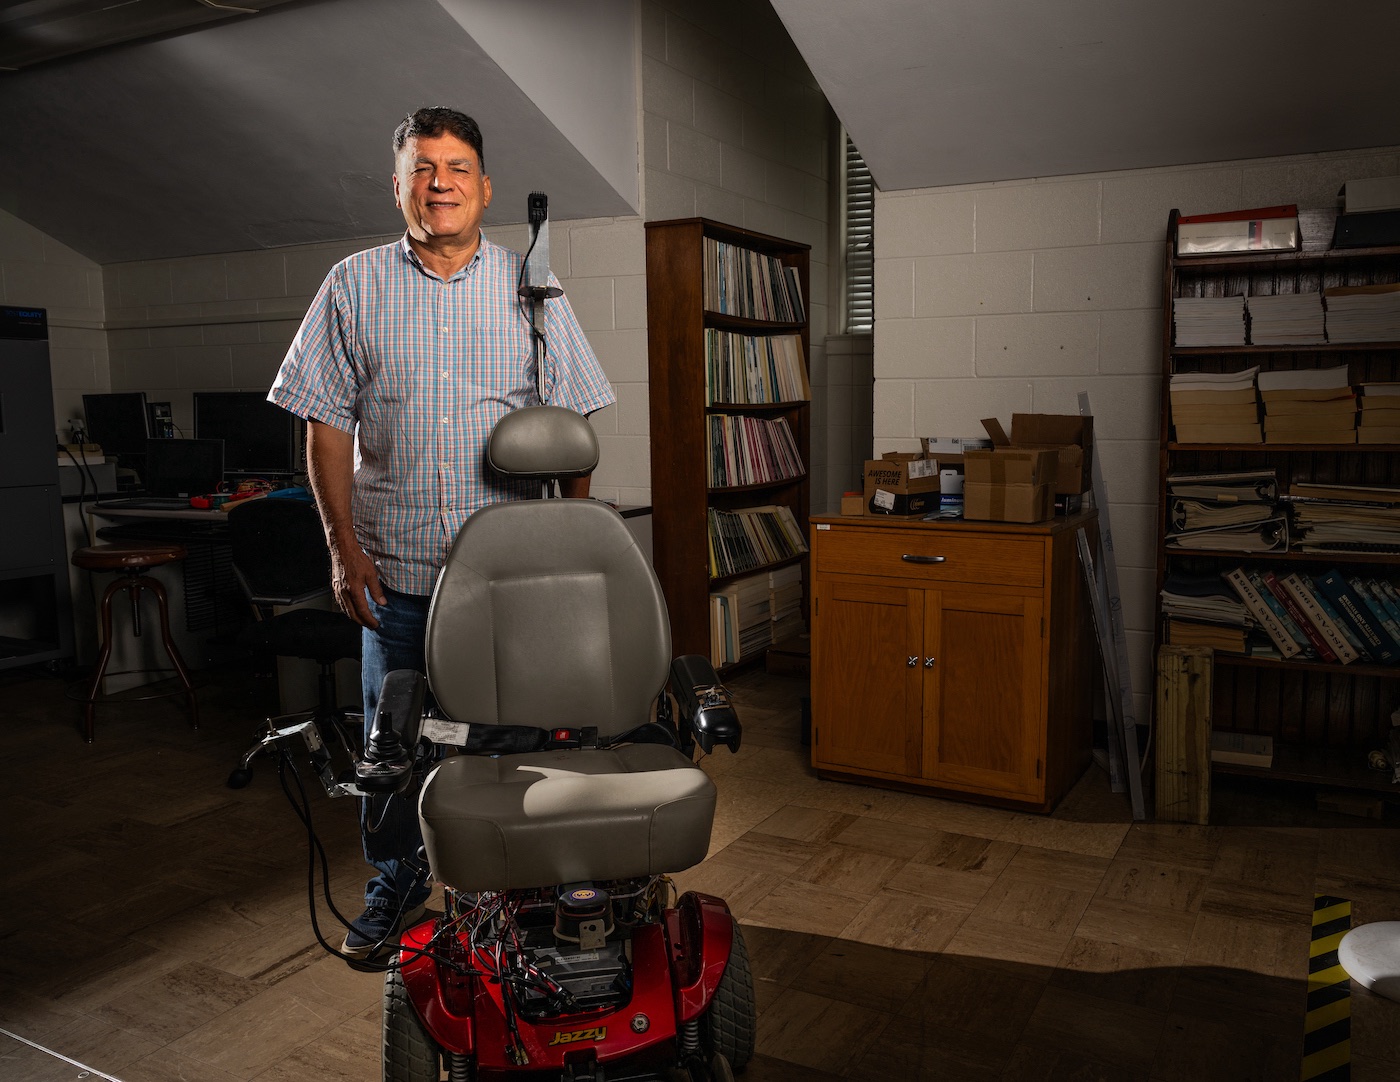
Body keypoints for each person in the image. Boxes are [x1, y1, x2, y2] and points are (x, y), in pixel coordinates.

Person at [268, 106, 615, 962]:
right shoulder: (351, 286)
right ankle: (395, 882)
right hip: (399, 578)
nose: (441, 182)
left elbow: (572, 422)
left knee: (522, 739)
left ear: (484, 186)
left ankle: (526, 880)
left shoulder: (534, 288)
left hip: (511, 581)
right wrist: (341, 549)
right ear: (398, 187)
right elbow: (324, 425)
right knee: (396, 746)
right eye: (423, 168)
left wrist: (572, 544)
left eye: (457, 167)